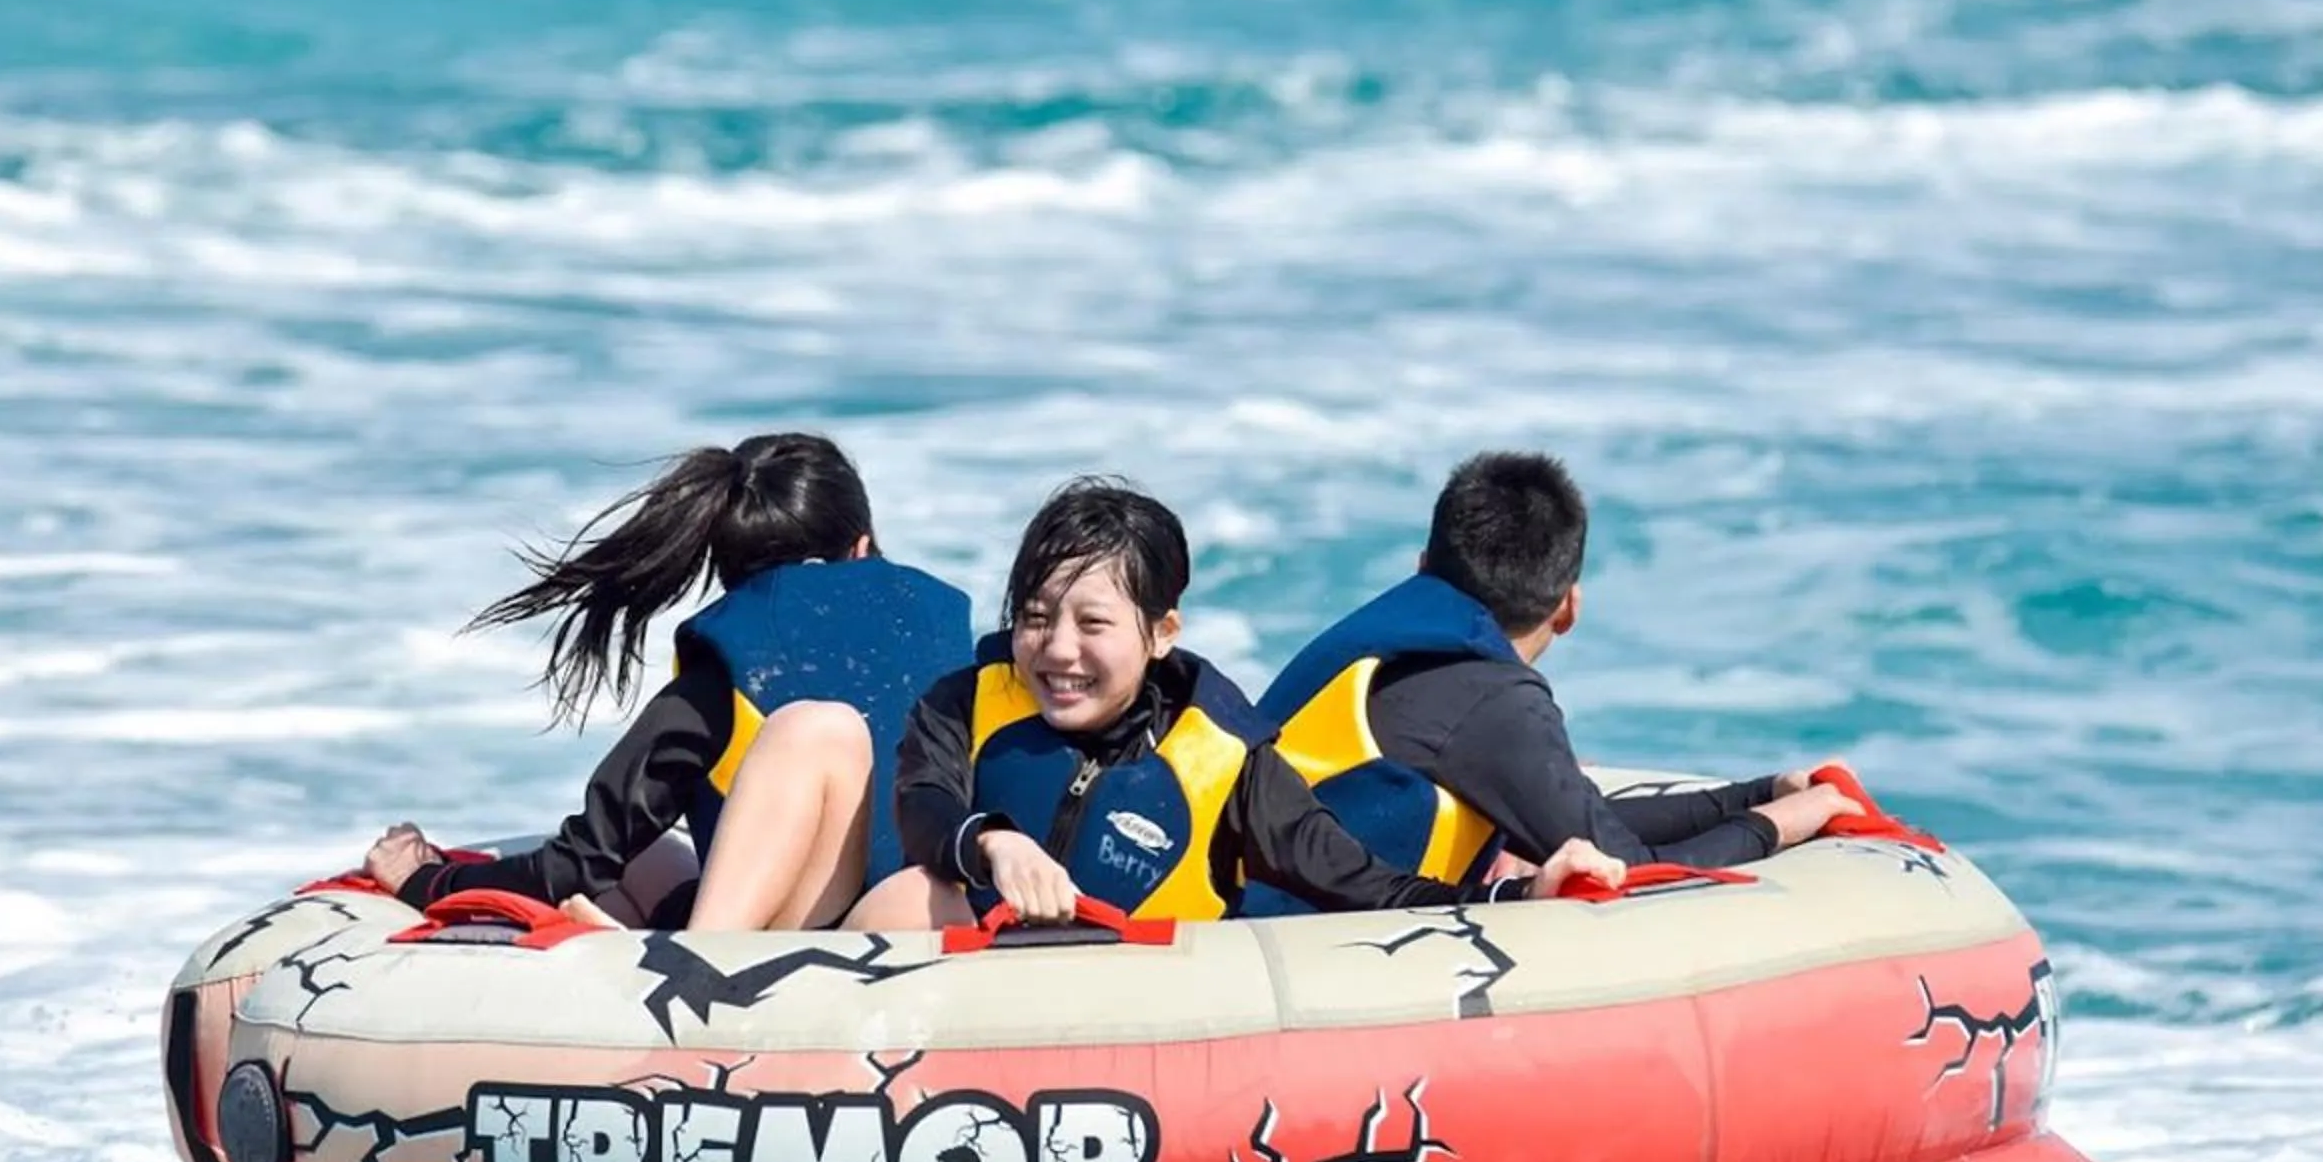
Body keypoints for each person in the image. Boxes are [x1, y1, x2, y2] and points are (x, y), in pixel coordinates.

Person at [704, 476, 1623, 929]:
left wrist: (1511, 897)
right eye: (1034, 618)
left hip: (1109, 1042)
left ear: (1161, 632)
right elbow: (925, 804)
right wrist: (994, 841)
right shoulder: (969, 700)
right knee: (915, 891)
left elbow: (1351, 880)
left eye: (1090, 624)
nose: (1056, 652)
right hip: (932, 997)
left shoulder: (1224, 753)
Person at [361, 432, 972, 931]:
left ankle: (670, 969)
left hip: (798, 965)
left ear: (726, 569)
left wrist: (426, 880)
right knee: (651, 859)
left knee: (640, 852)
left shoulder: (726, 659)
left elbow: (576, 864)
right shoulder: (950, 628)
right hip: (920, 917)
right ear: (863, 547)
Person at [1243, 450, 1854, 916]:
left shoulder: (1390, 642)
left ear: (1423, 570)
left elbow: (1582, 821)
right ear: (1568, 608)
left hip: (1234, 917)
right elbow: (1633, 874)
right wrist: (1784, 823)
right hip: (1283, 950)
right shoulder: (1488, 701)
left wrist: (1764, 790)